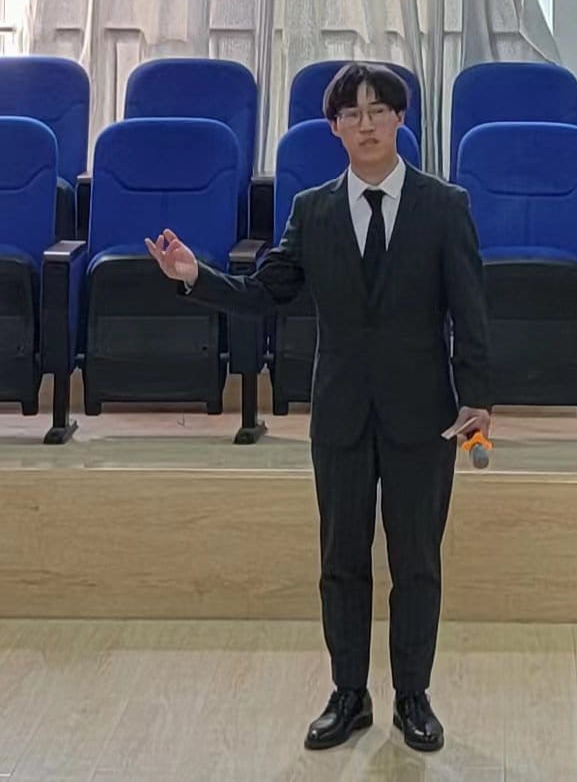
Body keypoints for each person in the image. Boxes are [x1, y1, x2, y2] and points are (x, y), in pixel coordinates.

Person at [150, 63, 492, 756]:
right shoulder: (312, 210)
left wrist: (477, 398)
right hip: (340, 412)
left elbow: (470, 310)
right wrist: (195, 278)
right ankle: (348, 694)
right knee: (341, 560)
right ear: (333, 127)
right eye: (351, 113)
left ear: (400, 119)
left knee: (416, 562)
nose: (366, 124)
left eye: (378, 110)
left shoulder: (443, 205)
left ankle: (413, 697)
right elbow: (265, 293)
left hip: (424, 412)